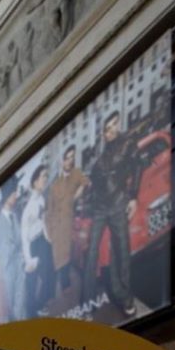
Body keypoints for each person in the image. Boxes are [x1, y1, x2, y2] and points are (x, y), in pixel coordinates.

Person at [82, 110, 140, 316]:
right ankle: (87, 304)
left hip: (117, 203)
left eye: (114, 125)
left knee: (121, 251)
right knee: (91, 254)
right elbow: (95, 178)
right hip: (99, 207)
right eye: (107, 129)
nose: (111, 130)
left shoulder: (127, 143)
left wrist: (133, 196)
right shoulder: (101, 151)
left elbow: (137, 167)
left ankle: (125, 299)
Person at [46, 144, 89, 294]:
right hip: (57, 228)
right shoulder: (54, 185)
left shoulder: (77, 173)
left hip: (69, 224)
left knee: (71, 257)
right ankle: (66, 291)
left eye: (72, 157)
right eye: (67, 158)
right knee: (61, 264)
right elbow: (49, 211)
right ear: (61, 161)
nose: (69, 161)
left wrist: (75, 197)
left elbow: (86, 183)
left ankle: (70, 292)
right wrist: (49, 232)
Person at [0, 176, 27, 322]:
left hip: (19, 266)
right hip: (6, 269)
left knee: (20, 302)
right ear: (6, 196)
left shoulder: (15, 216)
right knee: (7, 306)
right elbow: (2, 249)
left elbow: (19, 240)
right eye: (13, 193)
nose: (16, 196)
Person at [21, 164, 54, 316]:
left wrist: (48, 238)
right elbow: (24, 234)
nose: (46, 179)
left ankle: (41, 305)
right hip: (33, 244)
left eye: (47, 176)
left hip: (42, 240)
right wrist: (28, 259)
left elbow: (42, 220)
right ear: (35, 182)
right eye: (43, 176)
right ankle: (31, 314)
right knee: (32, 281)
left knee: (48, 275)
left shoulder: (42, 199)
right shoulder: (28, 206)